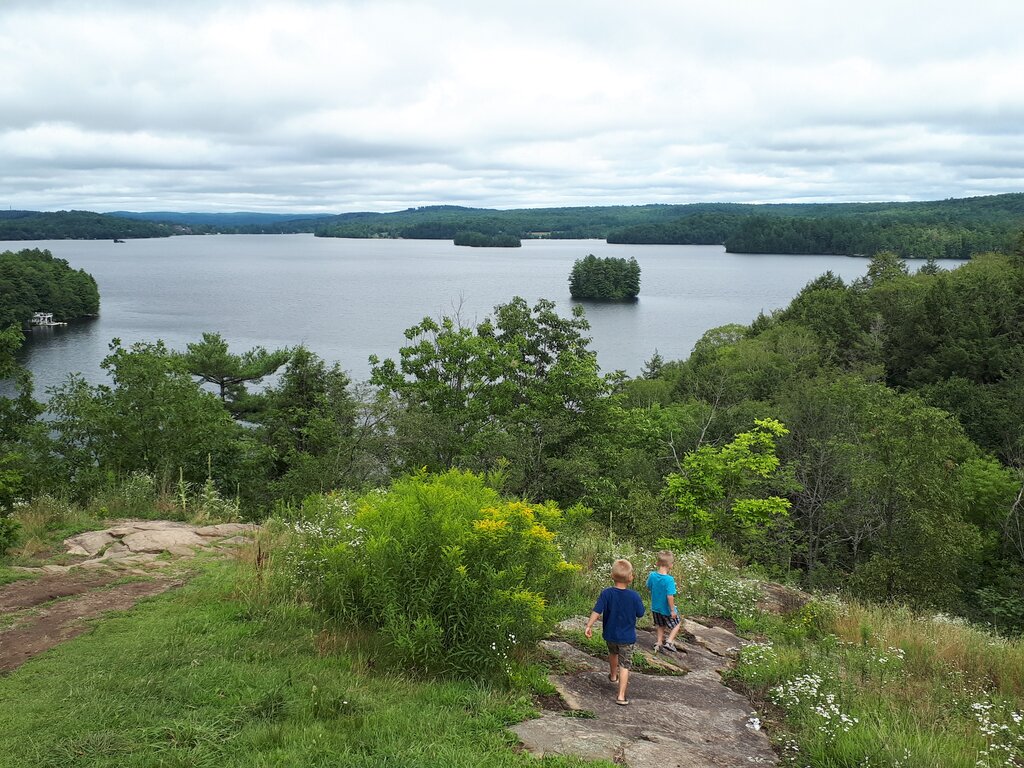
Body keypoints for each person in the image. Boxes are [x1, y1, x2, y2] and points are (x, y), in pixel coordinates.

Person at [584, 558, 645, 706]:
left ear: (612, 575)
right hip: (627, 638)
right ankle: (621, 696)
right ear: (631, 578)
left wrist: (589, 626)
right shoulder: (634, 596)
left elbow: (597, 611)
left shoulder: (606, 593)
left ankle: (612, 676)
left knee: (613, 654)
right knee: (625, 665)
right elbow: (641, 613)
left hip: (610, 635)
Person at [646, 550, 682, 653]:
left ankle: (659, 642)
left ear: (658, 563)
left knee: (660, 625)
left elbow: (648, 587)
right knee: (677, 623)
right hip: (666, 609)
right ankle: (669, 642)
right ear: (670, 565)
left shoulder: (652, 575)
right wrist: (672, 610)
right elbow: (670, 596)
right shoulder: (669, 580)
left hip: (655, 608)